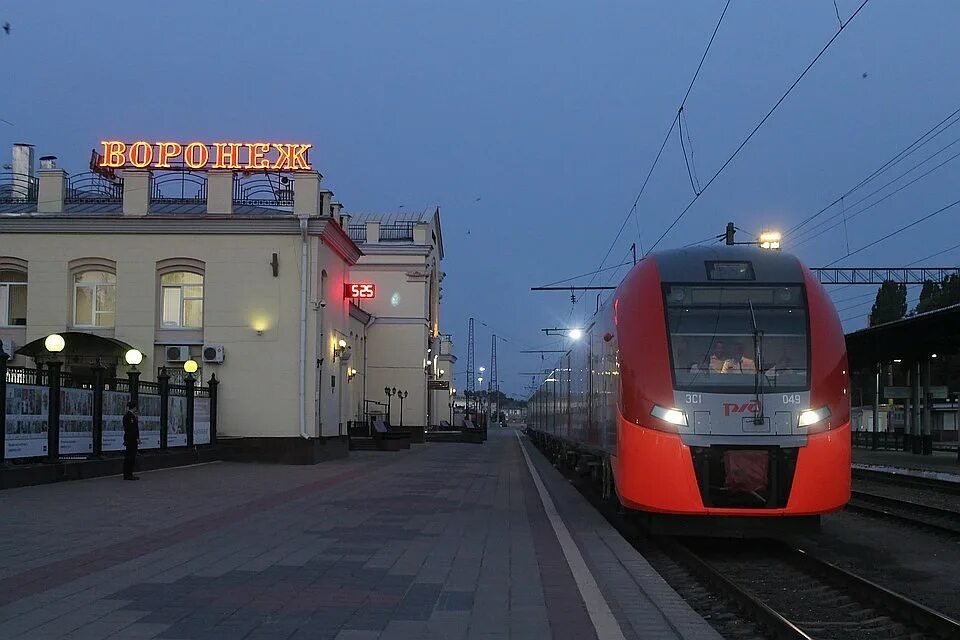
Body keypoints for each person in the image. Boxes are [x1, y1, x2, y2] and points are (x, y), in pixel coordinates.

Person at [123, 401, 140, 481]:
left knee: (130, 456)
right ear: (134, 408)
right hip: (131, 439)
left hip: (129, 439)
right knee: (130, 457)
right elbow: (132, 429)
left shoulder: (129, 416)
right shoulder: (130, 416)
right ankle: (128, 474)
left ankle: (128, 474)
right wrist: (136, 438)